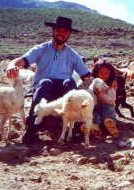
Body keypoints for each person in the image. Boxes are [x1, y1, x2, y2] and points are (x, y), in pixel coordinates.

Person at [6, 16, 92, 144]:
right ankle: (32, 129)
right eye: (59, 29)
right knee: (46, 82)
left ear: (69, 34)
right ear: (53, 30)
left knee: (70, 82)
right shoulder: (41, 49)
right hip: (43, 89)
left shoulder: (73, 55)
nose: (61, 33)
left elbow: (88, 75)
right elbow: (21, 61)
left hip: (63, 95)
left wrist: (106, 81)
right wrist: (11, 66)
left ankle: (73, 129)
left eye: (65, 31)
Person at [79, 58, 118, 137]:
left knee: (109, 112)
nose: (103, 75)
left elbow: (111, 100)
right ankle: (94, 127)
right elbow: (80, 88)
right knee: (93, 114)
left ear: (111, 73)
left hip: (106, 105)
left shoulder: (110, 85)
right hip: (94, 105)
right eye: (101, 72)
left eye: (106, 73)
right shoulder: (90, 81)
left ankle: (111, 124)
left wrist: (100, 94)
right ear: (96, 72)